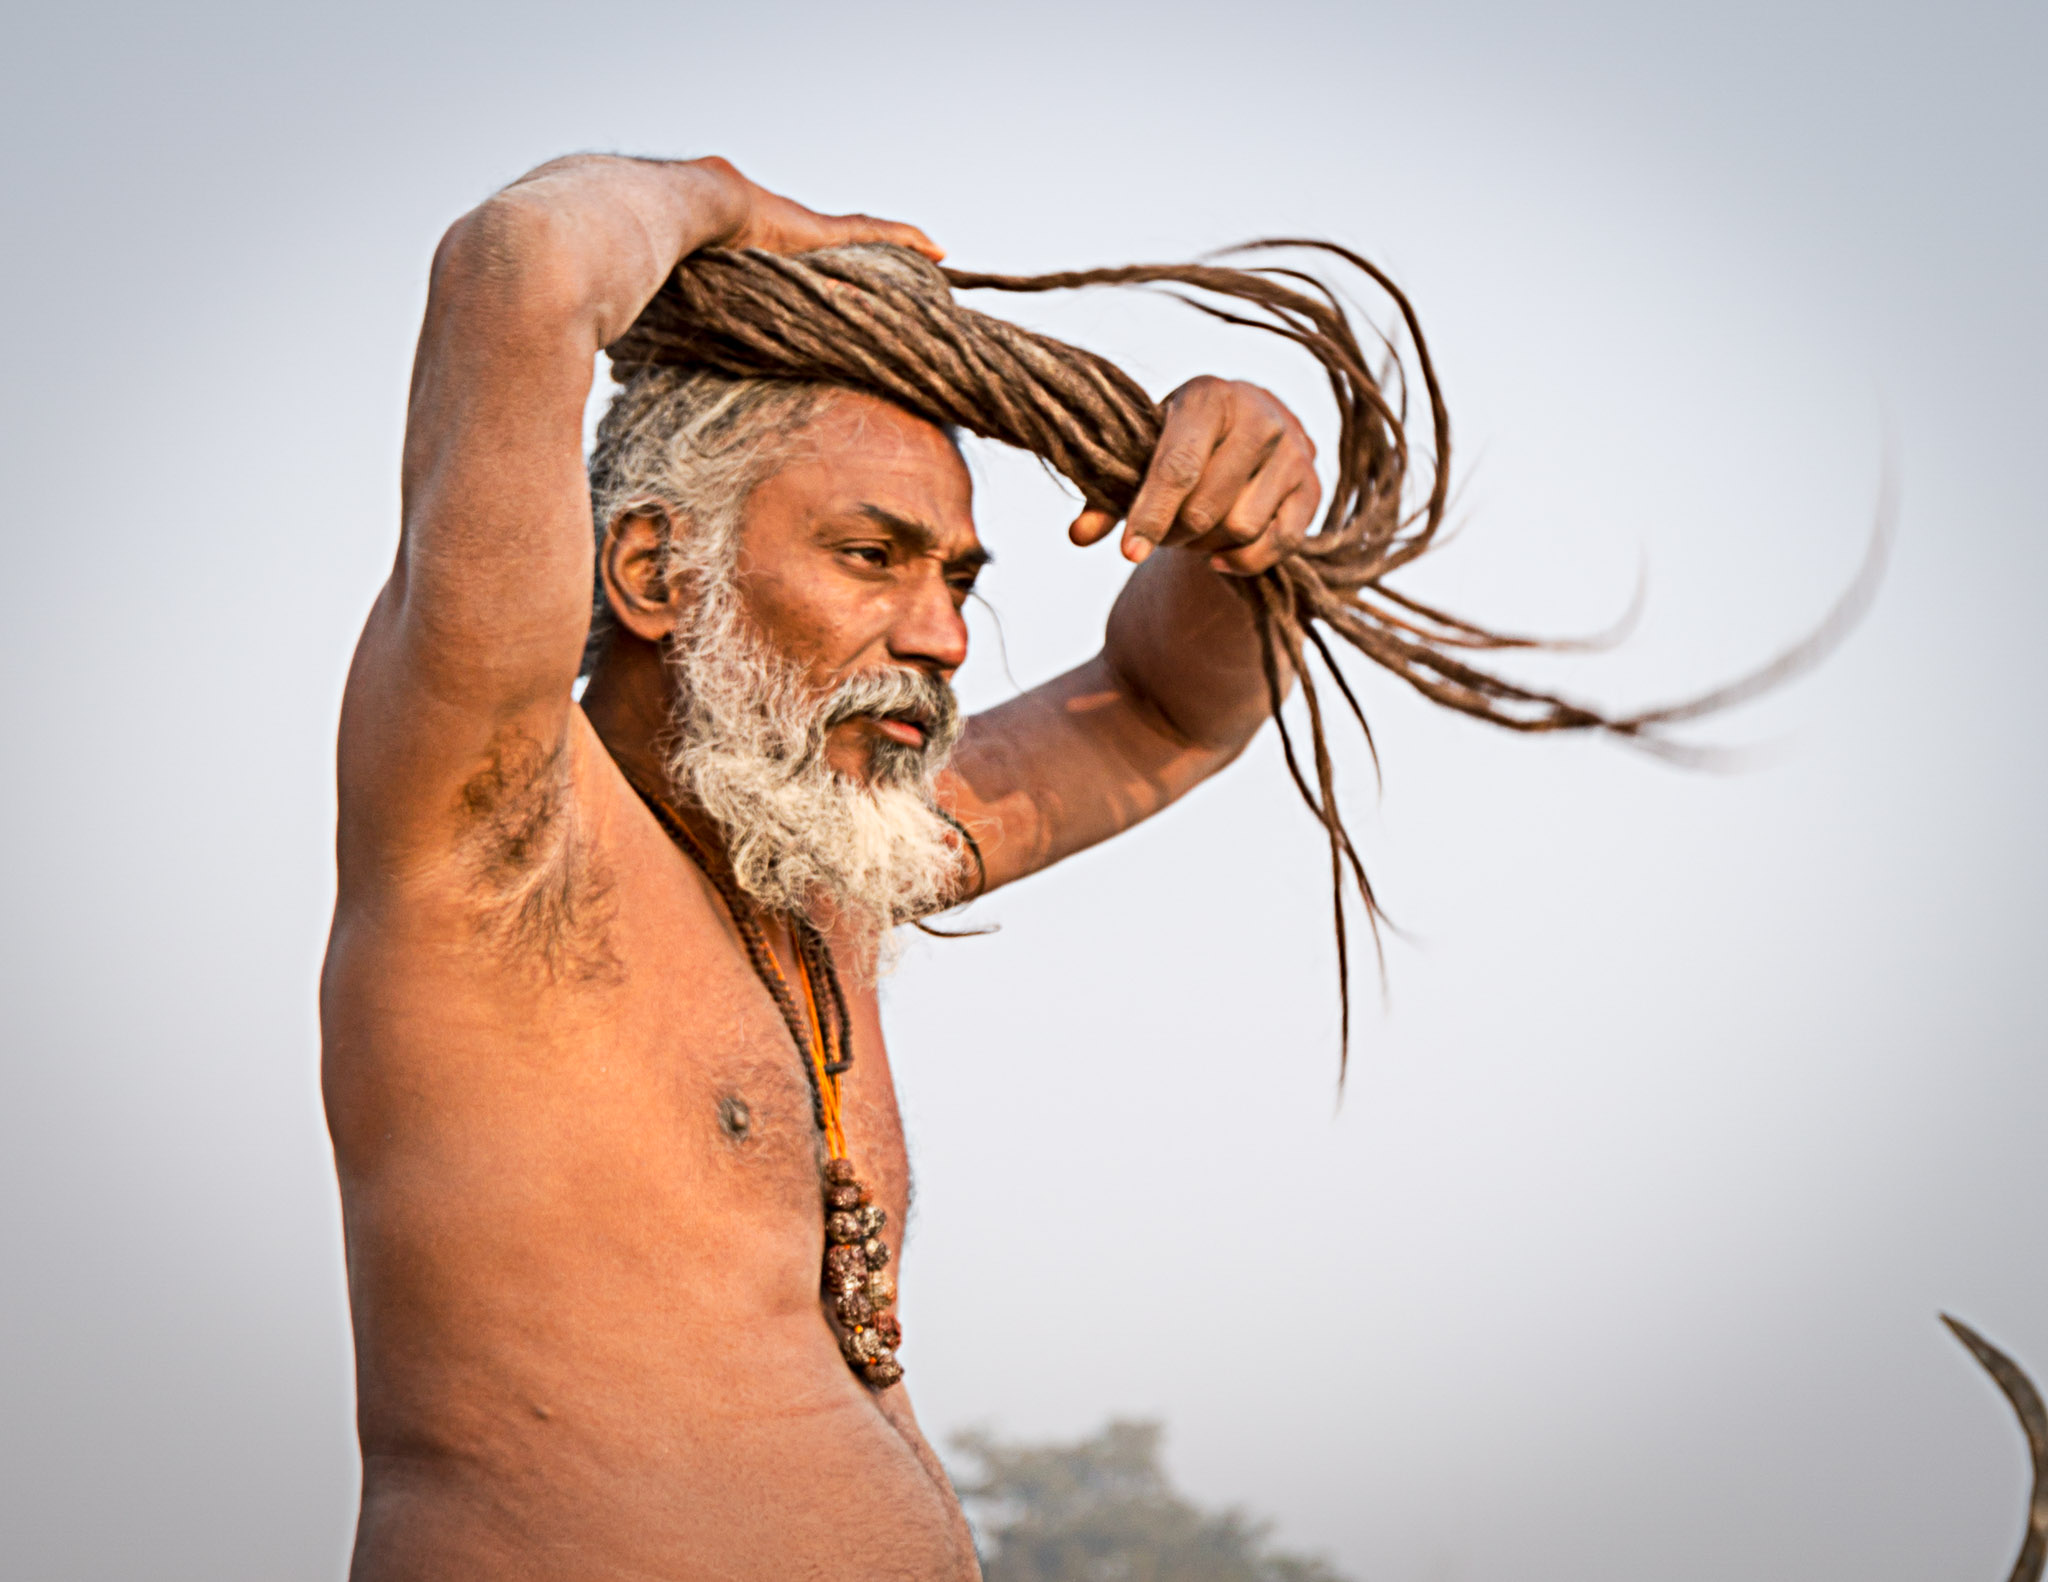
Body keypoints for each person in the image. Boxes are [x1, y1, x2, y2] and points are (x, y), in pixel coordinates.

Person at [321, 153, 1321, 1580]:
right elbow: (517, 267)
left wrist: (1243, 509)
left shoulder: (827, 865)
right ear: (656, 573)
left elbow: (1171, 706)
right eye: (874, 556)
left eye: (959, 577)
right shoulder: (496, 831)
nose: (945, 637)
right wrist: (720, 205)